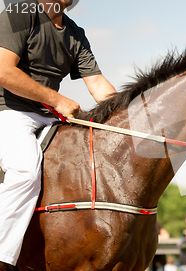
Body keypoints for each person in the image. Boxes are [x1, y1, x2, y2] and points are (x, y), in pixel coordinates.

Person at [0, 0, 116, 268]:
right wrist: (57, 99)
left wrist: (128, 122)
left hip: (48, 116)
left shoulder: (75, 32)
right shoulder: (20, 13)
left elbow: (98, 85)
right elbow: (4, 71)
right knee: (25, 171)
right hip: (7, 111)